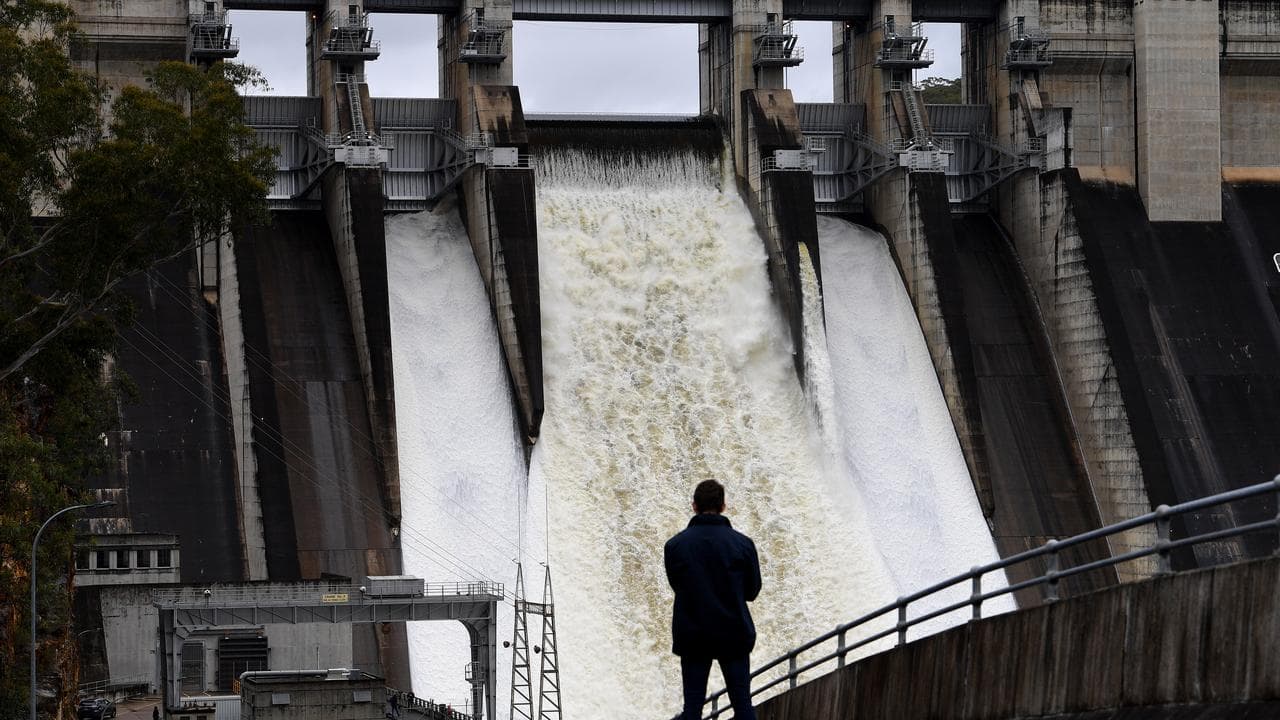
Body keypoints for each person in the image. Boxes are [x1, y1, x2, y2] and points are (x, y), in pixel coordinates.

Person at [664, 479, 762, 720]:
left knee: (692, 710)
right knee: (743, 707)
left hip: (693, 635)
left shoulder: (675, 546)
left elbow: (677, 586)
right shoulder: (743, 544)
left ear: (694, 506)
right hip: (733, 633)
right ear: (723, 506)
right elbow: (752, 591)